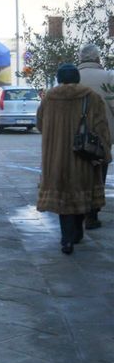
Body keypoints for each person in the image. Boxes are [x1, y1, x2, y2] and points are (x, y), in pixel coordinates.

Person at [36, 63, 111, 255]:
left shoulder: (49, 98)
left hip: (57, 158)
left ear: (59, 78)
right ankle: (77, 232)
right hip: (83, 156)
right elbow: (101, 127)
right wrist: (105, 153)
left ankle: (66, 239)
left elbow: (40, 124)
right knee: (81, 193)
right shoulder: (92, 97)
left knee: (63, 197)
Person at [77, 43, 114, 229]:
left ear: (81, 58)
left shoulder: (73, 77)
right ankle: (93, 214)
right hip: (103, 136)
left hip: (76, 136)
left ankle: (79, 210)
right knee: (99, 174)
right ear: (98, 58)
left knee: (78, 173)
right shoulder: (109, 77)